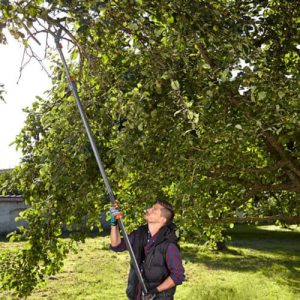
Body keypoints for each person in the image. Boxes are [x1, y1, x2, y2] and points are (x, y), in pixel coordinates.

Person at [110, 200, 185, 300]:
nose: (149, 209)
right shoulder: (139, 234)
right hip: (136, 296)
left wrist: (155, 291)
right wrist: (114, 223)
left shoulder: (169, 245)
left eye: (154, 209)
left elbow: (178, 276)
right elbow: (116, 245)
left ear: (162, 219)